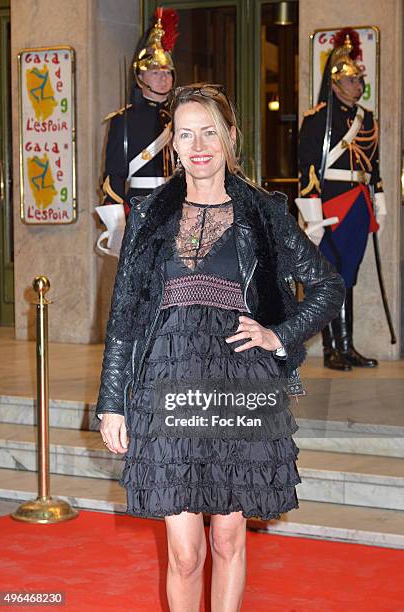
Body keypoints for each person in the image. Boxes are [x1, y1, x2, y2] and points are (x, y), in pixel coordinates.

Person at [96, 83, 345, 611]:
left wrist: (278, 334)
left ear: (230, 136)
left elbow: (327, 286)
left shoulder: (264, 212)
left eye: (209, 131)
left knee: (228, 539)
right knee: (185, 553)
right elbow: (124, 318)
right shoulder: (147, 217)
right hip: (166, 387)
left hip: (241, 385)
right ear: (174, 145)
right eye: (185, 134)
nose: (198, 144)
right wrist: (112, 403)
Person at [298, 28, 386, 371]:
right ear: (335, 84)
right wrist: (312, 213)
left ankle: (347, 347)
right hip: (331, 206)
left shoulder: (367, 118)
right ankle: (333, 348)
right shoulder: (317, 119)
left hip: (359, 204)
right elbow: (307, 168)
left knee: (350, 275)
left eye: (359, 80)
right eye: (350, 81)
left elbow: (373, 164)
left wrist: (378, 197)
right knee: (333, 276)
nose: (357, 85)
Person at [102, 8, 179, 216]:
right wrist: (117, 218)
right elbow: (115, 175)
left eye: (167, 73)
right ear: (140, 78)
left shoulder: (182, 116)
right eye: (155, 73)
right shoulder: (123, 119)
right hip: (141, 207)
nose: (163, 78)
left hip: (182, 205)